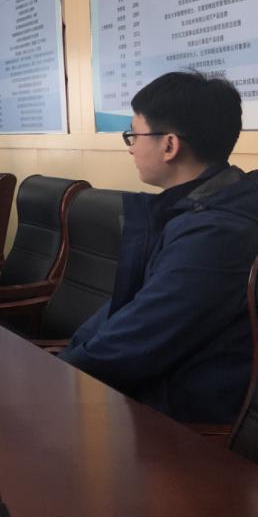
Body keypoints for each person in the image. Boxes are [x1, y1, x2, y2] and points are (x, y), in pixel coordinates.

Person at [59, 71, 258, 423]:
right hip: (146, 395)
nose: (131, 147)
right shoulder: (189, 210)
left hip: (178, 425)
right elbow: (128, 311)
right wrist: (64, 362)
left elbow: (138, 342)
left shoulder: (216, 235)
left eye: (134, 135)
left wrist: (54, 378)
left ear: (169, 145)